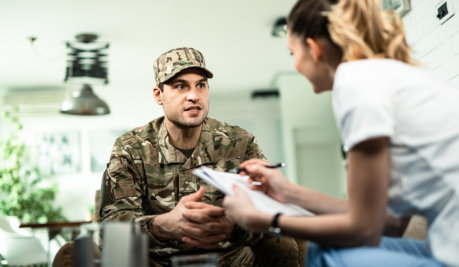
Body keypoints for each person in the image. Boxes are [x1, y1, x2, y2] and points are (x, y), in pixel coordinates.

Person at [222, 0, 459, 266]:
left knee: (328, 252)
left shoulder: (355, 81)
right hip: (442, 236)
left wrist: (263, 220)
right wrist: (287, 192)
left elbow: (364, 228)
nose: (296, 65)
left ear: (313, 48)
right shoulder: (386, 74)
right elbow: (382, 219)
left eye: (292, 53)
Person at [98, 47, 301, 266]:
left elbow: (270, 211)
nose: (194, 95)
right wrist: (163, 225)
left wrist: (233, 226)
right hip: (158, 262)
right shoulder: (131, 148)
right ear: (159, 95)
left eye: (201, 85)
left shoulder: (240, 143)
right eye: (180, 86)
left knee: (283, 245)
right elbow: (111, 228)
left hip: (228, 260)